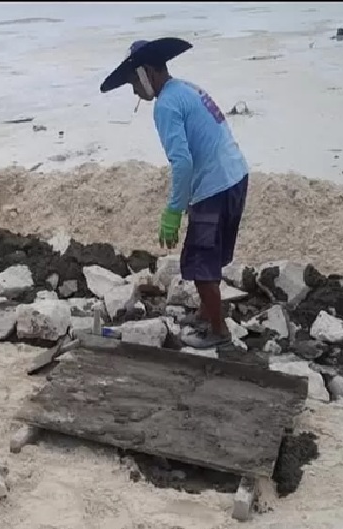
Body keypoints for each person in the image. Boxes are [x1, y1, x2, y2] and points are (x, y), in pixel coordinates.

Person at [101, 38, 250, 349]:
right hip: (236, 175)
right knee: (209, 256)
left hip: (214, 187)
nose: (134, 91)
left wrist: (173, 210)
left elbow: (182, 163)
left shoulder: (166, 105)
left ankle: (218, 331)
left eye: (133, 82)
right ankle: (207, 314)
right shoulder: (186, 88)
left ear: (145, 73)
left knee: (198, 260)